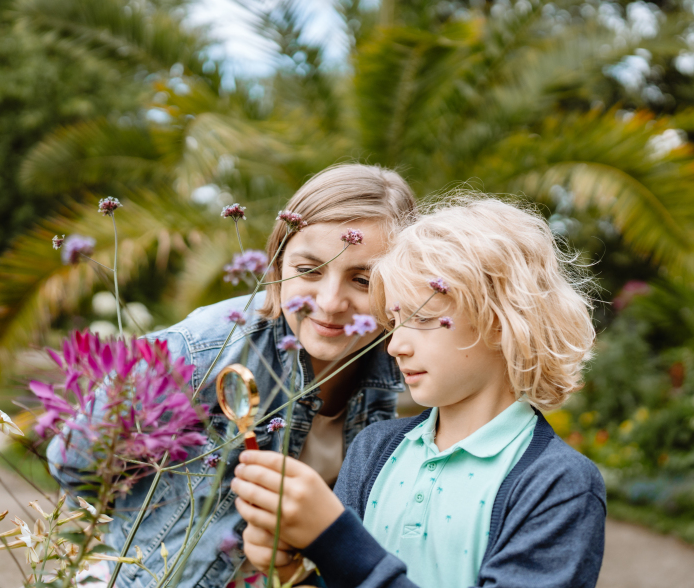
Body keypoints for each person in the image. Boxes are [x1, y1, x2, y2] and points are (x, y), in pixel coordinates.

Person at [47, 163, 416, 588]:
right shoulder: (200, 350)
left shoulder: (409, 366)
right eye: (309, 270)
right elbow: (73, 460)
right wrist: (134, 555)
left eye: (363, 279)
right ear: (277, 261)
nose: (331, 303)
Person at [232, 196, 606, 588]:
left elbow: (354, 563)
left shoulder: (559, 484)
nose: (396, 346)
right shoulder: (374, 449)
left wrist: (334, 538)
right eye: (394, 321)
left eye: (423, 318)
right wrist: (295, 573)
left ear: (500, 322)